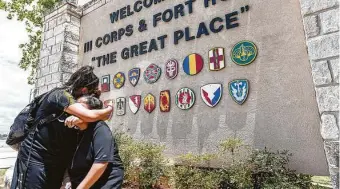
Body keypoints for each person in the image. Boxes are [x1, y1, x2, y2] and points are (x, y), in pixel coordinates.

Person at [11, 66, 114, 189]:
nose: (94, 97)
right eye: (93, 92)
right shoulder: (59, 95)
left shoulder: (76, 106)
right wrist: (109, 108)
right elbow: (90, 115)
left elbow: (91, 117)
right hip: (35, 159)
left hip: (56, 162)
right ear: (85, 90)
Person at [66, 96, 124, 189]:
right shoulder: (75, 130)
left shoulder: (100, 128)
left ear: (93, 111)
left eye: (81, 106)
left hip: (104, 182)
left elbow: (101, 163)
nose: (76, 109)